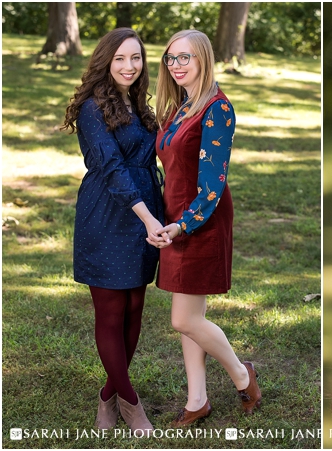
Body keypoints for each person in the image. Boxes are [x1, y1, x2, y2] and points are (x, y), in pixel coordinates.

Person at [150, 29, 261, 427]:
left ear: (204, 59)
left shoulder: (217, 109)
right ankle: (197, 399)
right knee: (188, 312)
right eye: (170, 59)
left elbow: (212, 188)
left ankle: (243, 375)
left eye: (185, 58)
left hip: (200, 219)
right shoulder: (180, 106)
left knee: (183, 319)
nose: (176, 66)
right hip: (174, 218)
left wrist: (180, 227)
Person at [63, 27, 161, 434]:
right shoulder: (91, 107)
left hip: (146, 212)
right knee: (110, 311)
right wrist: (148, 218)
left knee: (135, 310)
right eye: (120, 58)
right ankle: (132, 404)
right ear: (106, 61)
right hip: (108, 213)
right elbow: (111, 167)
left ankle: (109, 395)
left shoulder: (140, 104)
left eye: (135, 58)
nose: (129, 66)